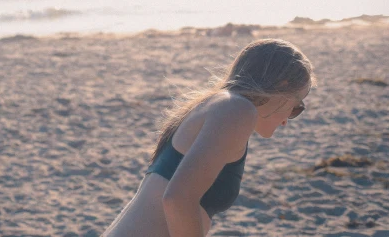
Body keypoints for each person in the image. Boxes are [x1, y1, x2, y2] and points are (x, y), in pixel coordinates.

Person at [101, 37, 315, 237]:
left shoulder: (219, 106)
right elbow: (178, 199)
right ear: (283, 85)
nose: (289, 118)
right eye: (297, 106)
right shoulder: (237, 109)